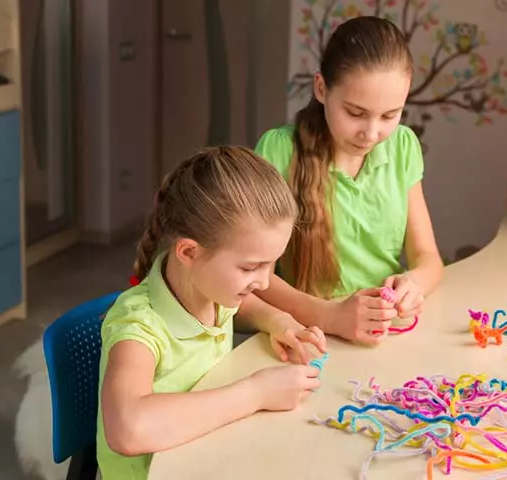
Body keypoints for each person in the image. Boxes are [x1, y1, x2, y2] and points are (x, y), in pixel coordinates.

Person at [96, 146, 327, 479]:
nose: (263, 282)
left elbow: (241, 305)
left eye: (271, 264)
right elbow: (127, 429)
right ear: (189, 252)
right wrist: (256, 393)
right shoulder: (138, 325)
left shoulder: (211, 291)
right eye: (250, 267)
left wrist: (279, 321)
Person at [255, 16, 444, 345]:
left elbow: (428, 257)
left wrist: (414, 282)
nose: (371, 134)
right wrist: (332, 316)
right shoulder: (279, 150)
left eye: (389, 115)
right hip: (309, 336)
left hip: (382, 336)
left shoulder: (402, 146)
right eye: (355, 113)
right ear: (321, 89)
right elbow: (258, 278)